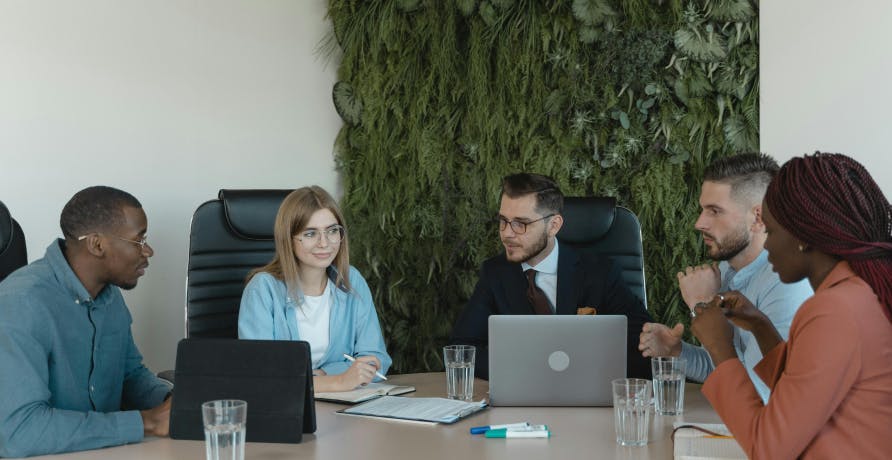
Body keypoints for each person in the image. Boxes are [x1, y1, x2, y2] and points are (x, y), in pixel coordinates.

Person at [691, 152, 892, 458]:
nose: (767, 244)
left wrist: (721, 348)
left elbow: (767, 448)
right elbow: (804, 394)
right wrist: (760, 326)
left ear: (803, 237)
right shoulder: (856, 292)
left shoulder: (834, 311)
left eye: (771, 231)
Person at [0, 186, 172, 457]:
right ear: (97, 244)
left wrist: (173, 402)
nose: (148, 251)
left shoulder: (110, 295)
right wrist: (146, 421)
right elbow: (21, 432)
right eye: (139, 241)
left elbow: (129, 375)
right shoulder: (22, 303)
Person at [638, 153, 811, 402]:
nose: (699, 223)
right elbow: (725, 366)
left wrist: (704, 305)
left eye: (715, 211)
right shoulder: (727, 270)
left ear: (758, 218)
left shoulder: (786, 284)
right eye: (703, 210)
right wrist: (677, 351)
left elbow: (759, 395)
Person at [451, 173, 652, 379]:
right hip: (522, 398)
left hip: (586, 394)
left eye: (521, 223)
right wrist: (524, 372)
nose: (507, 233)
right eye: (503, 220)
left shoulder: (601, 272)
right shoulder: (494, 273)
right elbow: (461, 349)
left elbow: (646, 344)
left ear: (553, 225)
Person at [238, 186, 391, 392]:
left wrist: (323, 374)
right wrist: (339, 380)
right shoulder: (262, 289)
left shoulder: (350, 279)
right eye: (310, 234)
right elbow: (260, 374)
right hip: (286, 412)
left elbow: (376, 359)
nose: (324, 243)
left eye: (332, 231)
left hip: (347, 409)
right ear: (289, 239)